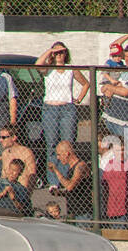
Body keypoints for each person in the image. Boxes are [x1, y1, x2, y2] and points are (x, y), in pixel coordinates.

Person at [36, 42, 90, 188]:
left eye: (62, 52)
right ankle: (53, 181)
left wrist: (78, 99)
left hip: (67, 109)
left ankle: (66, 179)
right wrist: (50, 51)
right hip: (50, 109)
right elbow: (38, 64)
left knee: (67, 145)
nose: (59, 55)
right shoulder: (48, 69)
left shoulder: (70, 69)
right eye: (57, 53)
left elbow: (86, 83)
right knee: (52, 145)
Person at [100, 43, 128, 162]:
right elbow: (115, 87)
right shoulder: (126, 71)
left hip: (125, 119)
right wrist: (111, 88)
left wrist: (111, 88)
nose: (127, 60)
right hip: (112, 115)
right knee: (113, 148)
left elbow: (126, 91)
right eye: (125, 57)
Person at [48, 140, 92, 220]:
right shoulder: (70, 168)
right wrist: (59, 192)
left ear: (67, 153)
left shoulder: (80, 166)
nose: (58, 158)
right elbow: (73, 190)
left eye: (59, 154)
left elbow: (70, 186)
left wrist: (56, 170)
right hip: (73, 211)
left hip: (83, 212)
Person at [0, 124, 37, 189]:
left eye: (4, 137)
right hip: (7, 189)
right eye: (0, 137)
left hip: (22, 189)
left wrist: (26, 194)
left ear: (13, 137)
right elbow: (3, 176)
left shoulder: (26, 152)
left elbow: (32, 175)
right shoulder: (5, 154)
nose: (0, 140)